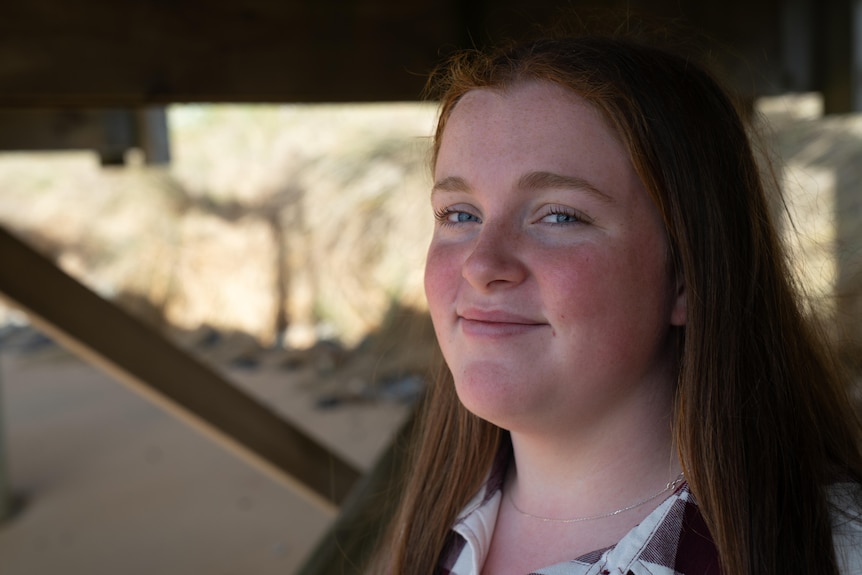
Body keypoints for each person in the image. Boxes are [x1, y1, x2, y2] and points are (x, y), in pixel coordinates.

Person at [373, 29, 862, 575]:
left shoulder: (833, 553)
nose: (482, 265)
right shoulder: (429, 539)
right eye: (460, 214)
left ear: (687, 276)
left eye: (559, 215)